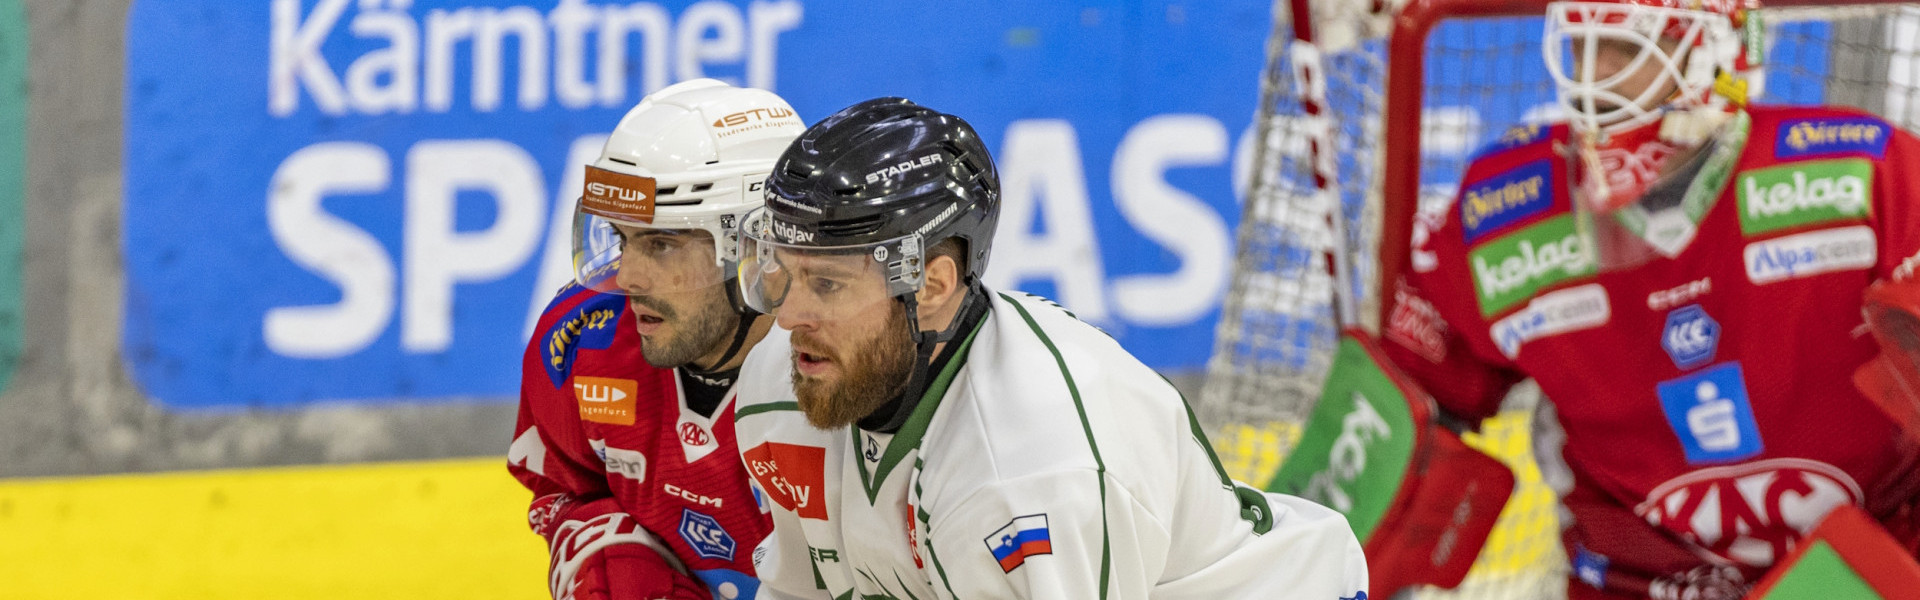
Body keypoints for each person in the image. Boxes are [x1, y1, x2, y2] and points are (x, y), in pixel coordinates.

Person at [1377, 1, 1920, 598]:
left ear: (1716, 56)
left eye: (1630, 50)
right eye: (1581, 46)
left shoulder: (1864, 177)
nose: (1592, 78)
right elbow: (1407, 404)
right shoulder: (1505, 214)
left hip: (1875, 572)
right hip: (1639, 585)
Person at [728, 97, 1368, 599]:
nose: (788, 318)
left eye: (828, 284)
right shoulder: (780, 392)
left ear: (932, 286)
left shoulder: (1029, 472)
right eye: (785, 272)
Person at [506, 78, 804, 600]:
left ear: (759, 246)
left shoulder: (849, 365)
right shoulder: (580, 342)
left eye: (662, 244)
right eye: (622, 240)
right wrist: (614, 562)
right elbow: (566, 492)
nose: (626, 279)